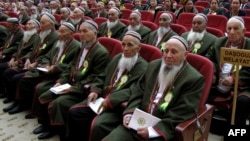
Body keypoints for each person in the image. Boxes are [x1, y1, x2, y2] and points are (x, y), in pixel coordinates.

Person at [100, 35, 204, 141]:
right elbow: (138, 90)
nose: (168, 55)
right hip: (137, 122)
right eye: (166, 51)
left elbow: (183, 111)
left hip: (160, 130)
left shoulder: (194, 79)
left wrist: (153, 131)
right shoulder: (153, 66)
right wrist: (130, 113)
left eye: (174, 52)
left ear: (185, 55)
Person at [30, 20, 110, 140]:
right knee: (47, 93)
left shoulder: (101, 52)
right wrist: (61, 81)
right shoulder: (82, 47)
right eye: (80, 31)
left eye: (85, 31)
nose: (81, 34)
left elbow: (95, 77)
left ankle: (60, 132)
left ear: (95, 32)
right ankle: (47, 125)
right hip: (69, 83)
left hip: (81, 89)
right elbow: (70, 67)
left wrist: (72, 88)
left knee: (59, 103)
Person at [67, 31, 148, 141]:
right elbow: (102, 76)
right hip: (101, 99)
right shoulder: (117, 57)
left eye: (130, 45)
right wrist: (95, 90)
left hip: (117, 107)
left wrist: (111, 100)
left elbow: (134, 90)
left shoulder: (143, 67)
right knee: (74, 112)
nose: (125, 48)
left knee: (98, 125)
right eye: (123, 44)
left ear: (138, 47)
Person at [205, 16, 250, 125]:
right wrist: (213, 73)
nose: (232, 32)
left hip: (242, 87)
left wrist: (234, 79)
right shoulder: (219, 42)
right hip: (218, 83)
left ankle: (236, 132)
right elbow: (209, 59)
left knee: (243, 101)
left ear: (243, 31)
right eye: (229, 29)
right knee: (200, 89)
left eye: (236, 29)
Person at [0, 19, 40, 103]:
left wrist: (18, 60)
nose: (27, 25)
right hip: (17, 59)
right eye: (27, 23)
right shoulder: (26, 35)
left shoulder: (36, 37)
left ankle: (12, 97)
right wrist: (13, 58)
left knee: (8, 73)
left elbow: (31, 51)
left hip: (24, 63)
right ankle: (6, 93)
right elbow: (18, 49)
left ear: (36, 27)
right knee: (4, 71)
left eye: (30, 24)